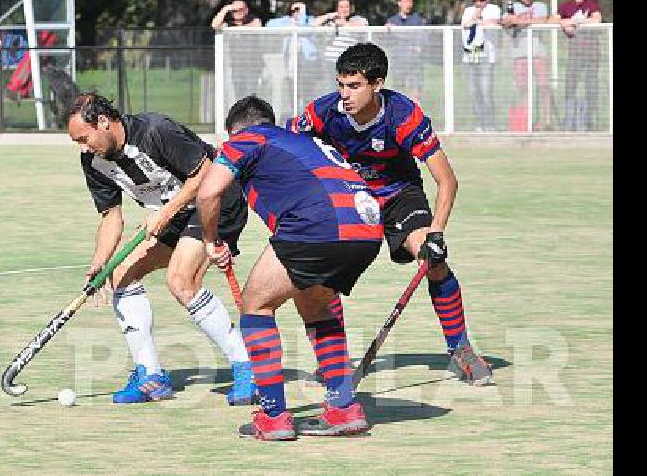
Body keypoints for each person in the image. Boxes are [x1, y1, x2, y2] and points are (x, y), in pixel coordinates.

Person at [286, 42, 493, 387]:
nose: (345, 95)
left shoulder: (403, 115)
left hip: (399, 194)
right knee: (319, 274)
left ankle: (461, 349)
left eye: (354, 86)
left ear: (377, 83)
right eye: (341, 84)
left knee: (433, 260)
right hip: (349, 197)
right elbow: (287, 144)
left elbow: (447, 179)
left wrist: (437, 233)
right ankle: (333, 361)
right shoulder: (324, 111)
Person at [197, 95, 384, 440]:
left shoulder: (246, 139)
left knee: (256, 305)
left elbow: (209, 193)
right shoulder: (302, 140)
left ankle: (273, 416)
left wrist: (211, 242)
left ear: (234, 131)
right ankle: (343, 409)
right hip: (367, 226)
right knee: (314, 305)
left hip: (320, 225)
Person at [65, 93, 255, 405]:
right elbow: (111, 216)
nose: (83, 148)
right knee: (122, 274)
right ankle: (151, 376)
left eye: (84, 139)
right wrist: (100, 262)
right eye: (77, 142)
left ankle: (246, 365)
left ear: (102, 122)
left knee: (181, 280)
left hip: (216, 203)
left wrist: (165, 214)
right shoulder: (93, 161)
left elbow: (207, 174)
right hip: (174, 214)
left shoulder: (155, 130)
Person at [500, 0, 552, 131]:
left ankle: (545, 121)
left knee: (543, 87)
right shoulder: (512, 7)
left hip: (538, 53)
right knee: (522, 88)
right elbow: (506, 21)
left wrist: (518, 20)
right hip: (520, 54)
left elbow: (541, 20)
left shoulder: (540, 6)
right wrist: (516, 20)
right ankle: (525, 121)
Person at [554, 0, 602, 131]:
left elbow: (597, 20)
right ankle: (569, 122)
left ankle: (588, 123)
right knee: (570, 87)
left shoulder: (591, 4)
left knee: (591, 88)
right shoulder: (565, 6)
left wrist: (575, 22)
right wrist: (565, 24)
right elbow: (553, 20)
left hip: (591, 55)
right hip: (574, 55)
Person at [460, 0, 501, 131]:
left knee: (486, 91)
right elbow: (465, 25)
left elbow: (495, 23)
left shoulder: (493, 9)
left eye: (482, 0)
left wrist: (480, 20)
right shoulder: (468, 11)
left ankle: (490, 124)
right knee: (473, 92)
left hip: (487, 57)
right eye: (475, 0)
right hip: (471, 57)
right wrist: (474, 17)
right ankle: (479, 123)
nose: (479, 3)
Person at [385, 0, 428, 104]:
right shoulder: (392, 21)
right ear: (399, 3)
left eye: (410, 1)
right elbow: (387, 41)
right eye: (405, 1)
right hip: (398, 63)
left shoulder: (418, 20)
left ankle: (416, 121)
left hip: (415, 64)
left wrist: (397, 33)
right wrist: (389, 31)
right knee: (398, 96)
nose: (408, 4)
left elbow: (422, 41)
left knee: (415, 97)